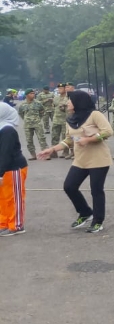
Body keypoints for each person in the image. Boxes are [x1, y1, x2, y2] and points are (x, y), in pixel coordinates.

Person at [37, 90, 114, 234]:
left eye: (70, 101)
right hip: (80, 160)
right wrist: (52, 149)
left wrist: (89, 139)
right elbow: (69, 140)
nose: (67, 103)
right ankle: (85, 212)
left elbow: (108, 131)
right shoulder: (71, 119)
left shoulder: (95, 115)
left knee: (96, 190)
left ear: (79, 102)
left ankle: (98, 221)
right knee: (69, 186)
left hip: (99, 160)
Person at [0, 102, 28, 236]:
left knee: (13, 198)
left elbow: (5, 153)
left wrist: (0, 173)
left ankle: (16, 225)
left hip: (13, 168)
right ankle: (4, 223)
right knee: (3, 199)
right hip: (3, 168)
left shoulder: (7, 130)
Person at [17, 89, 48, 159]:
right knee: (29, 140)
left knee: (42, 138)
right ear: (27, 95)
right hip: (27, 125)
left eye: (33, 93)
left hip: (37, 123)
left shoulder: (38, 103)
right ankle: (33, 155)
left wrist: (38, 118)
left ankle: (45, 154)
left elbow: (42, 111)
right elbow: (21, 113)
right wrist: (26, 119)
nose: (33, 95)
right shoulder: (22, 105)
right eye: (31, 93)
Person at [51, 83, 69, 160]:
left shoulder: (68, 98)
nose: (59, 90)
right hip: (56, 119)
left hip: (65, 120)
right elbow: (54, 107)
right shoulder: (56, 98)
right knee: (54, 136)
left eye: (61, 88)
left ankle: (65, 152)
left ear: (65, 89)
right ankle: (53, 152)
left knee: (65, 136)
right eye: (58, 88)